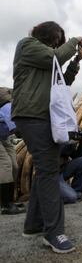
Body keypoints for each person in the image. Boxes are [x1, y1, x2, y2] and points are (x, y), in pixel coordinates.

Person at [11, 21, 82, 253]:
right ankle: (54, 233)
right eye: (57, 39)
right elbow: (54, 56)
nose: (59, 43)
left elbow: (62, 83)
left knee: (46, 169)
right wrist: (75, 41)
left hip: (45, 117)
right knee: (48, 170)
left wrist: (75, 63)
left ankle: (33, 224)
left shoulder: (48, 60)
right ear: (45, 34)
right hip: (31, 115)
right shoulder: (27, 45)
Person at [0, 87, 25, 215]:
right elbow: (17, 130)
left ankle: (10, 200)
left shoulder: (13, 106)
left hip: (4, 137)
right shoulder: (8, 107)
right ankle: (5, 205)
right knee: (5, 165)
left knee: (14, 166)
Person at [59, 136, 82, 204]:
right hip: (52, 175)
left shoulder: (68, 135)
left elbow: (77, 156)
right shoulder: (55, 134)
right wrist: (67, 141)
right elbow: (59, 151)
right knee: (71, 197)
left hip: (63, 170)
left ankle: (77, 191)